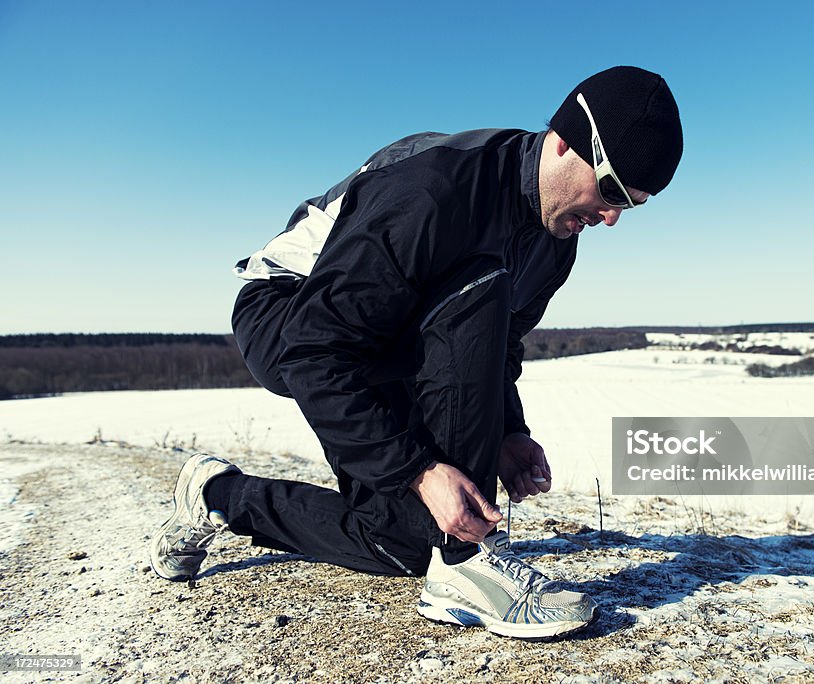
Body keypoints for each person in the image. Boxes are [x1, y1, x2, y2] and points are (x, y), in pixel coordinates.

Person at [149, 66, 683, 640]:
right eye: (610, 191)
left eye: (632, 204)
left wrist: (507, 431)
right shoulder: (435, 192)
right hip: (292, 312)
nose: (610, 218)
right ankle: (465, 565)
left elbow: (498, 345)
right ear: (561, 141)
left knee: (402, 542)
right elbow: (313, 353)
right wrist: (422, 471)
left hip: (393, 327)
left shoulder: (555, 243)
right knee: (482, 278)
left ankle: (216, 495)